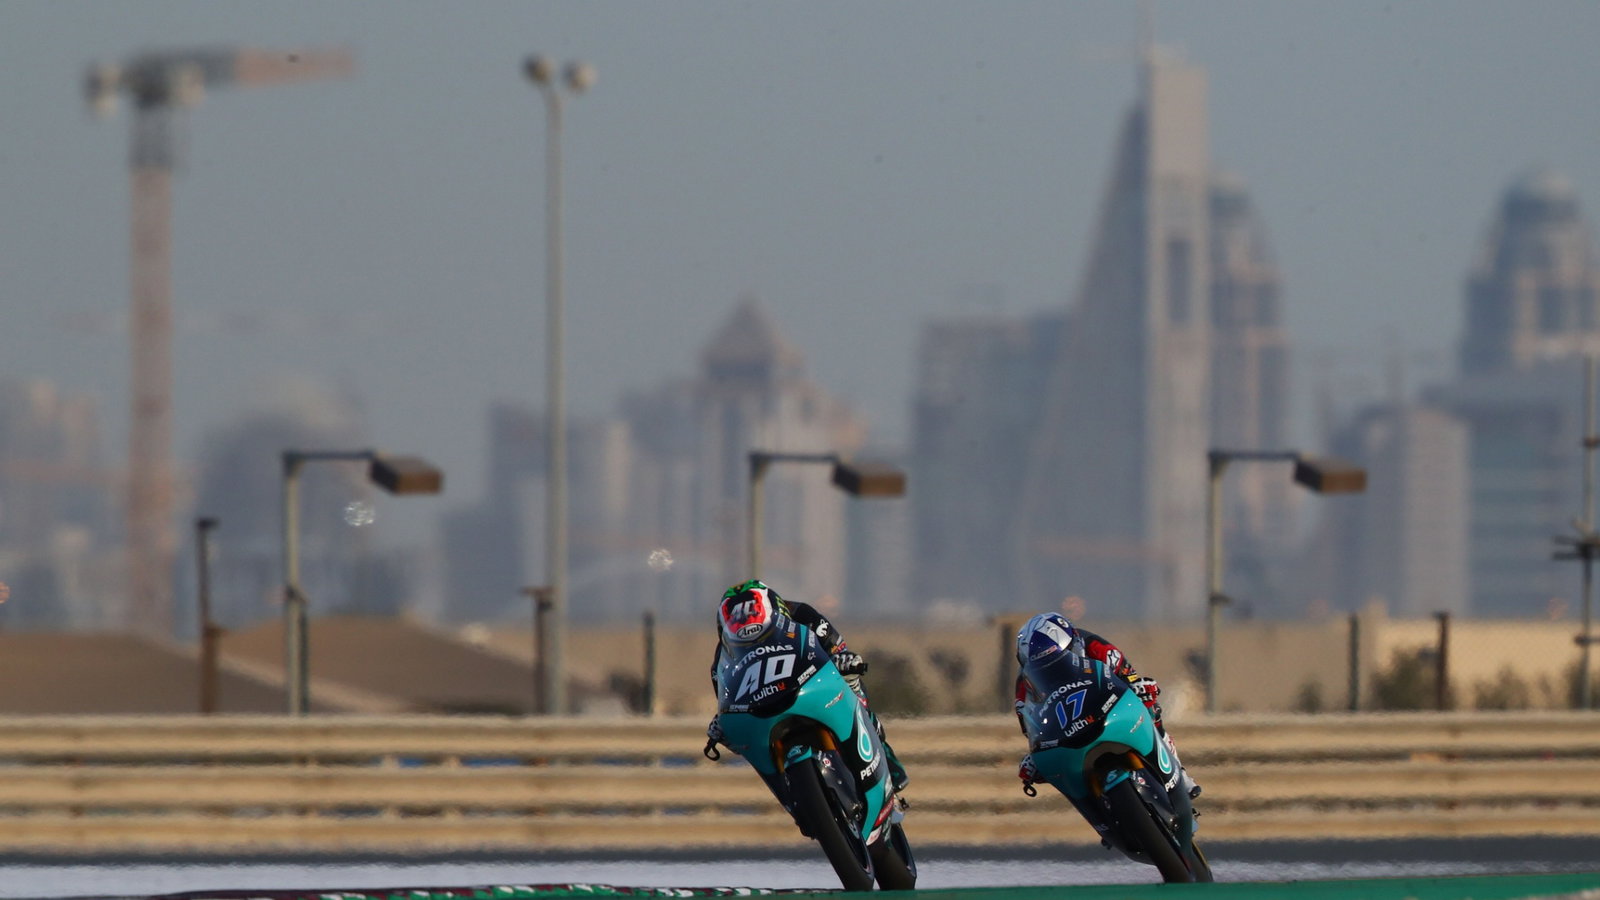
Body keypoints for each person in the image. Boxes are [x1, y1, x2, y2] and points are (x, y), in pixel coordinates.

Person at [704, 579, 910, 797]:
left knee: (851, 680)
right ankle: (793, 796)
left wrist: (843, 660)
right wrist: (722, 725)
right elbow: (726, 700)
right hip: (766, 710)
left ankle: (884, 753)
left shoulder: (802, 614)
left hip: (811, 686)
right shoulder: (723, 657)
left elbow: (836, 646)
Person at [1013, 612, 1200, 802]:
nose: (1053, 669)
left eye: (1059, 658)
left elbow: (1130, 679)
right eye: (1042, 666)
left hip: (1107, 706)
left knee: (1149, 705)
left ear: (1075, 644)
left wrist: (1141, 689)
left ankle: (1177, 772)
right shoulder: (1025, 686)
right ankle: (1095, 811)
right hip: (1066, 732)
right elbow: (1032, 729)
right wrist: (1034, 755)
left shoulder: (1096, 646)